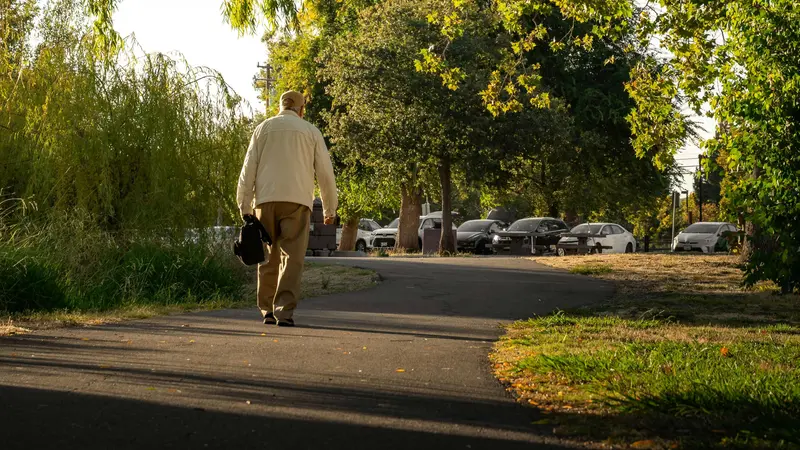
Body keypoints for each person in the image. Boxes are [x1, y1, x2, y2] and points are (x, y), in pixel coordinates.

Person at [236, 91, 337, 327]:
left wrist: (245, 205)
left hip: (265, 200)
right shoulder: (310, 131)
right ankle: (284, 312)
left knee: (267, 257)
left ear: (280, 107)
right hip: (297, 201)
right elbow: (325, 173)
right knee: (292, 258)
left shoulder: (263, 129)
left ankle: (266, 310)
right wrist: (330, 209)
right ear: (302, 109)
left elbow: (247, 170)